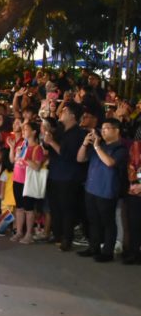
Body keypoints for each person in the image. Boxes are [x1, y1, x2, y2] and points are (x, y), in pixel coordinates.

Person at [77, 118, 129, 262]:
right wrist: (84, 143)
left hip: (107, 191)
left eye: (107, 128)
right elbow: (80, 159)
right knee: (93, 221)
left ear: (116, 130)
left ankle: (107, 252)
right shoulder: (100, 146)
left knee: (108, 222)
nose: (103, 131)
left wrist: (96, 147)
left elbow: (110, 163)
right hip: (91, 189)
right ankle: (93, 247)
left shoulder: (121, 149)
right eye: (102, 128)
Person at [42, 102, 86, 251]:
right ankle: (57, 234)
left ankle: (67, 238)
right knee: (54, 207)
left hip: (69, 176)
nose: (62, 112)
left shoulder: (79, 134)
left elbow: (70, 156)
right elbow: (48, 147)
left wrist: (52, 142)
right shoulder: (60, 130)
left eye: (65, 111)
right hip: (54, 173)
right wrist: (47, 139)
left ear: (72, 116)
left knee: (67, 209)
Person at [9, 121, 46, 244]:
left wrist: (24, 157)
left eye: (26, 129)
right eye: (23, 129)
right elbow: (13, 160)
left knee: (29, 209)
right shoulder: (23, 145)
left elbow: (37, 167)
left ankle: (29, 233)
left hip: (28, 182)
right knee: (19, 207)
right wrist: (12, 148)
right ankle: (19, 231)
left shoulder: (37, 148)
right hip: (17, 179)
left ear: (34, 132)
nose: (23, 131)